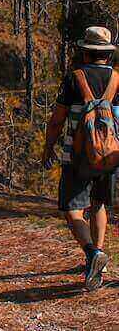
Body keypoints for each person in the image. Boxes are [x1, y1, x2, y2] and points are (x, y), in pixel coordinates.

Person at [43, 26, 119, 291]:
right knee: (99, 205)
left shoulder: (74, 79)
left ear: (85, 53)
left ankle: (92, 254)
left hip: (76, 156)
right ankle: (98, 260)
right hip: (109, 156)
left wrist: (48, 147)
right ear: (107, 56)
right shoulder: (117, 80)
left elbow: (56, 121)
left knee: (72, 209)